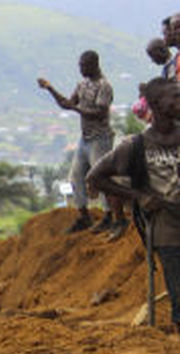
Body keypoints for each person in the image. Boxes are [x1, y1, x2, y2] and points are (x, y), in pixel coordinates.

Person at [89, 77, 180, 333]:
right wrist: (138, 197)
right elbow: (95, 178)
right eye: (174, 96)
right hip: (168, 232)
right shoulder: (136, 146)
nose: (179, 100)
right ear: (156, 104)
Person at [38, 52, 123, 238]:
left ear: (94, 64)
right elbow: (67, 103)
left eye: (84, 66)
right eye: (80, 66)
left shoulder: (104, 86)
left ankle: (111, 217)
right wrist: (50, 89)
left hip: (100, 138)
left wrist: (75, 108)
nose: (81, 69)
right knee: (76, 177)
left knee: (100, 178)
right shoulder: (82, 84)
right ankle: (84, 216)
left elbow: (100, 113)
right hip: (85, 138)